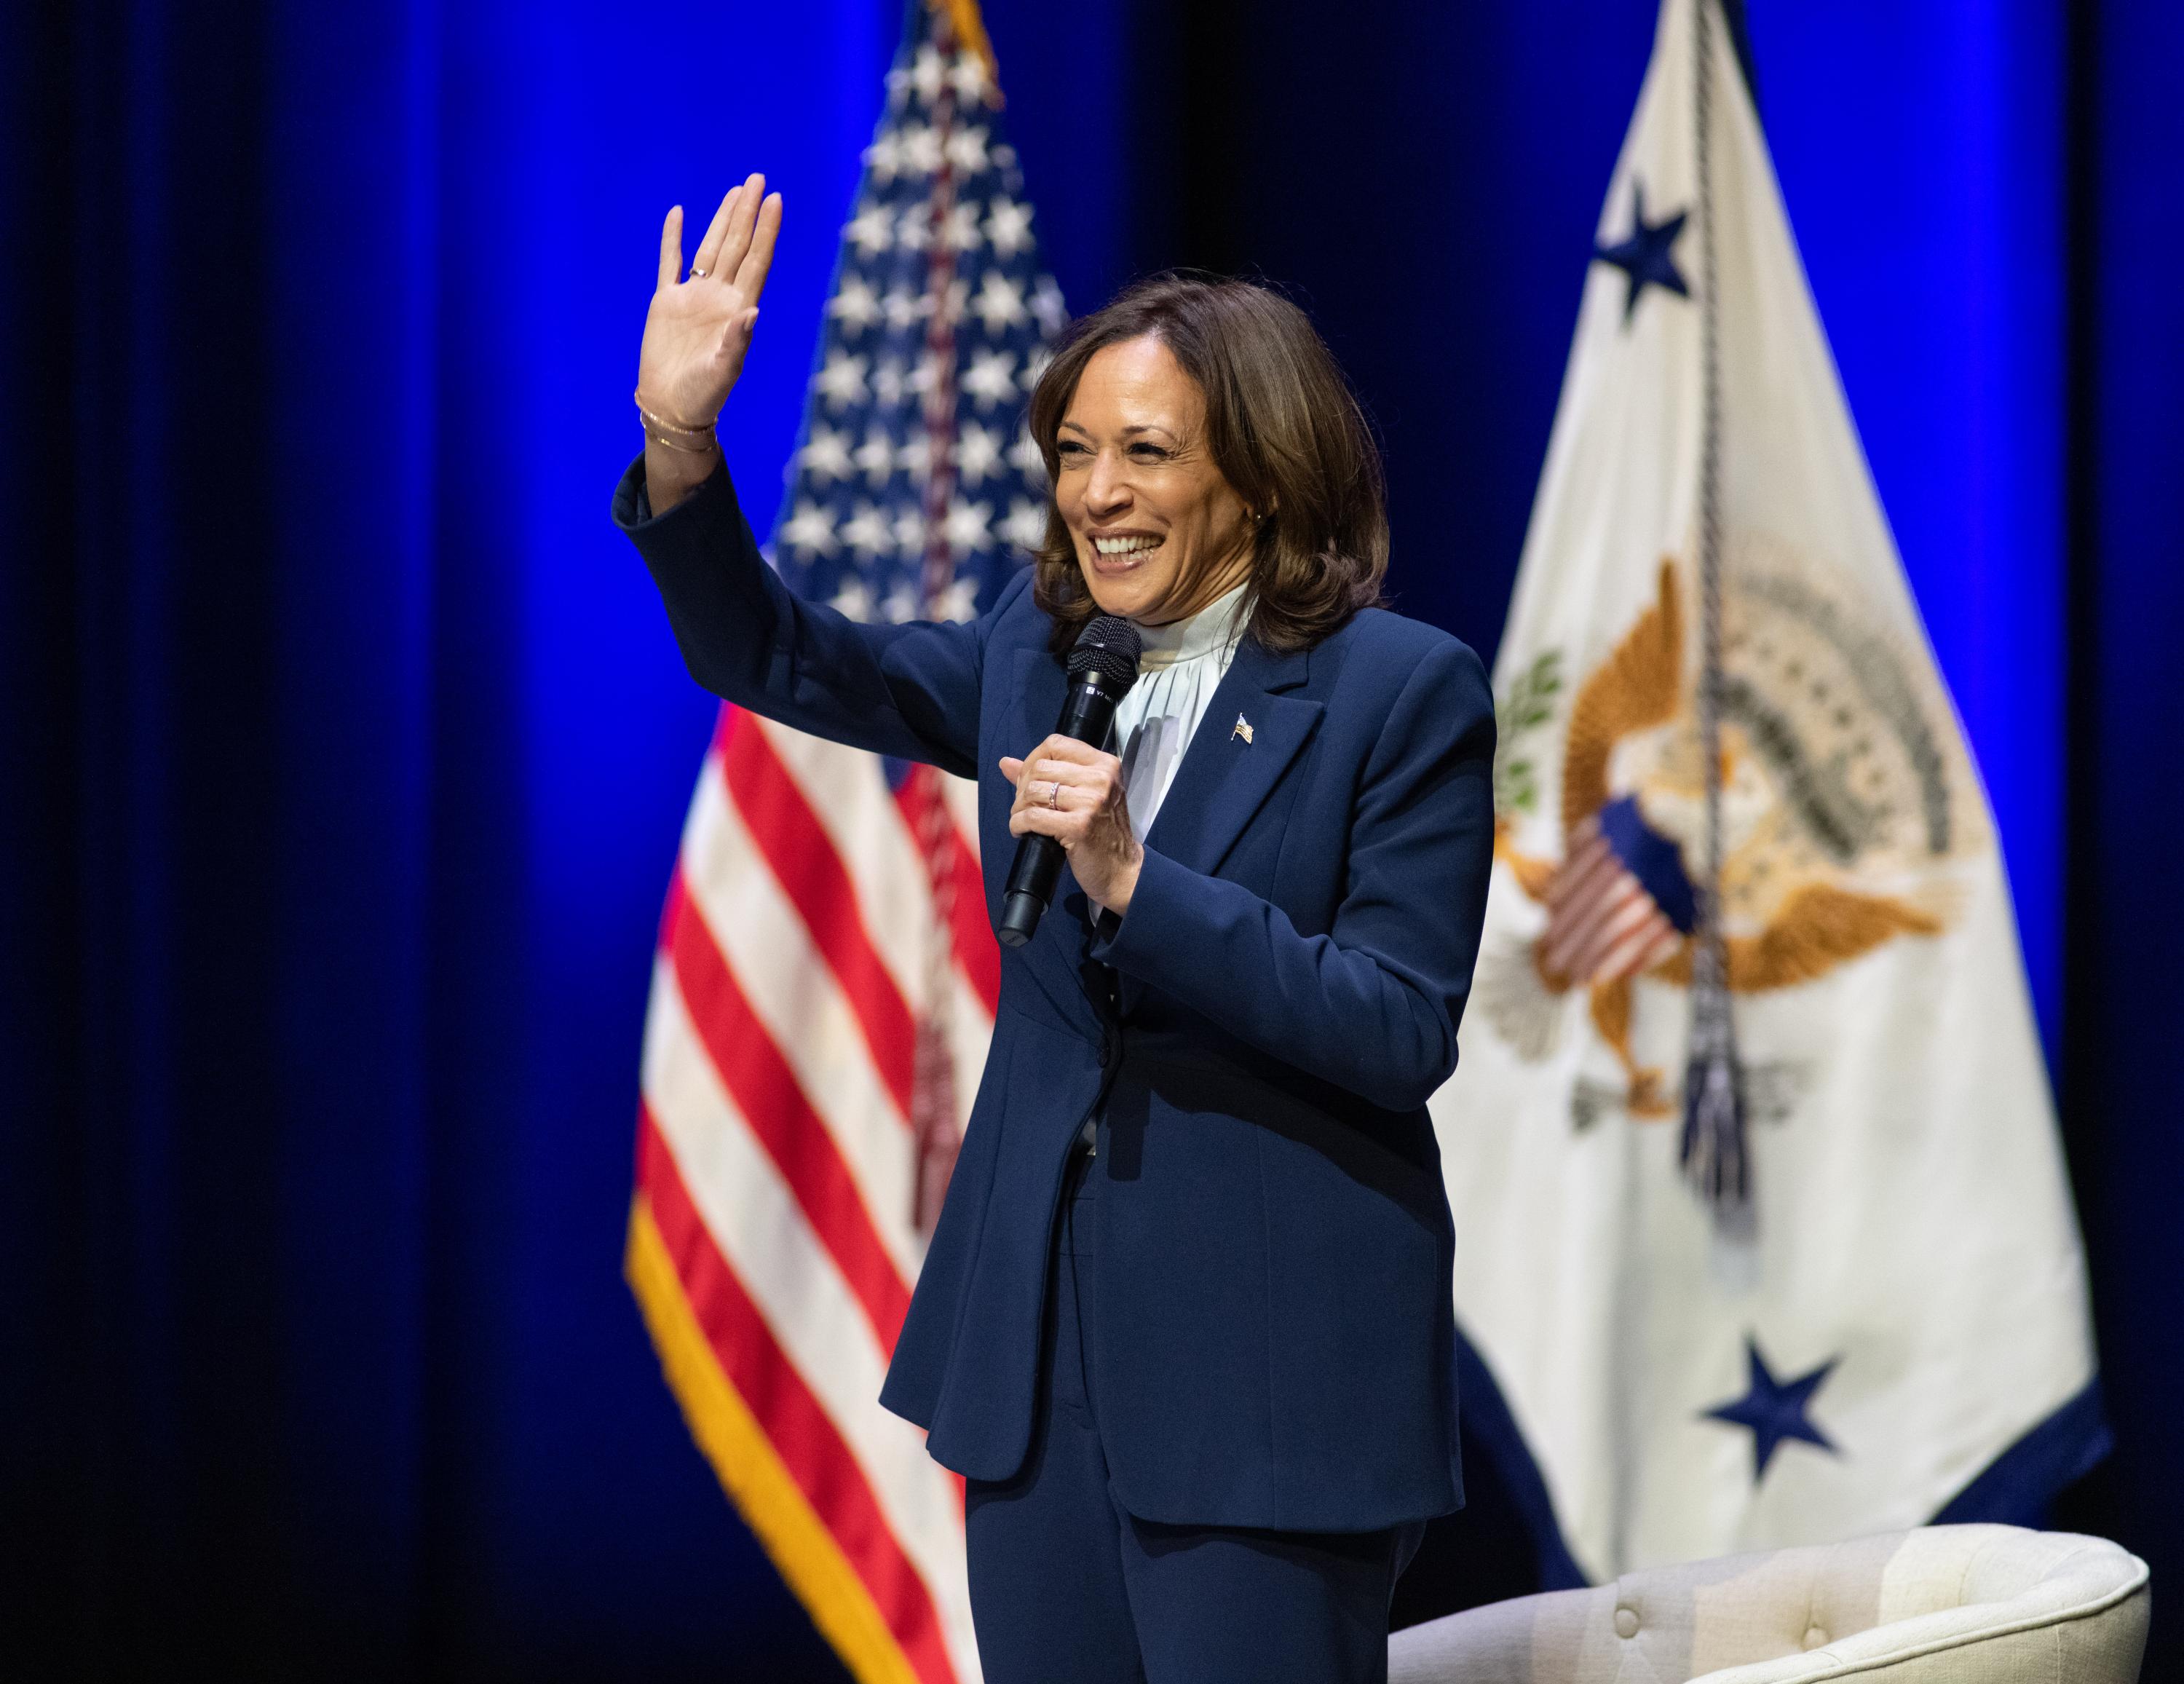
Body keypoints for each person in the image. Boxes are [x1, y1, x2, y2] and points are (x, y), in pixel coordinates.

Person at [614, 175, 1496, 1684]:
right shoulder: (1042, 656)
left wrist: (1140, 881)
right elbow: (778, 653)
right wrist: (685, 448)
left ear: (1264, 474)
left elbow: (1397, 1023)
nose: (1095, 492)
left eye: (1145, 451)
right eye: (1074, 451)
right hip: (1038, 1369)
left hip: (1266, 1393)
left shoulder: (1397, 691)